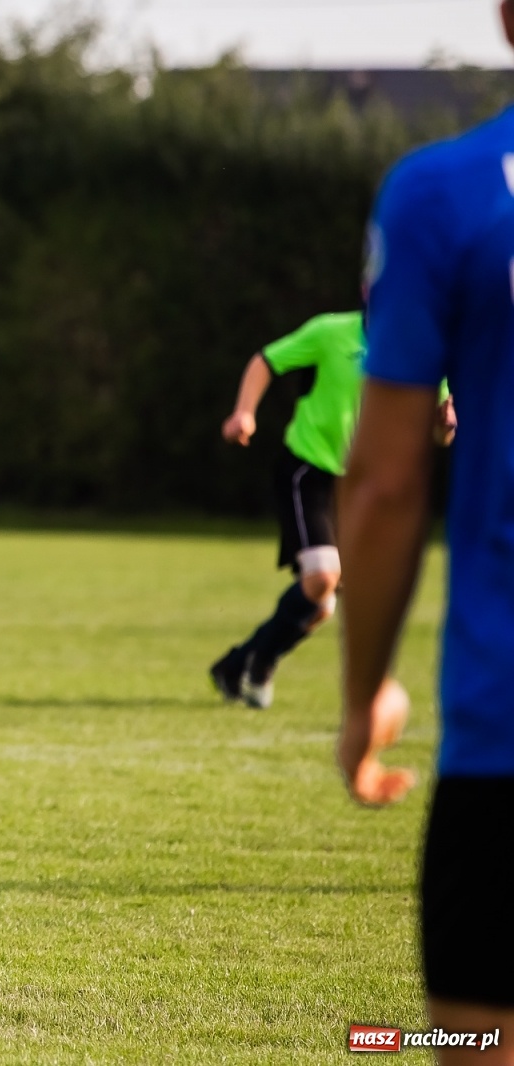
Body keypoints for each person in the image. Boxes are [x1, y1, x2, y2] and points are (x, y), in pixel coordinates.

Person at [337, 3, 514, 1060]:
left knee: (472, 1043)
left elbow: (389, 481)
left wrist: (365, 694)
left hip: (504, 738)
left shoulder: (444, 194)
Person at [210, 315, 452, 708]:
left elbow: (442, 430)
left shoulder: (423, 349)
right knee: (323, 576)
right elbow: (266, 360)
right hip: (308, 470)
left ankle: (243, 664)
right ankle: (247, 665)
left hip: (360, 487)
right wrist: (245, 412)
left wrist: (446, 424)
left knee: (321, 606)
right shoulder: (330, 332)